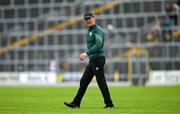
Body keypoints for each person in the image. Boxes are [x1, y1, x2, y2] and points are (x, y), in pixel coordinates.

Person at [64, 12, 114, 109]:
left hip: (98, 59)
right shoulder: (90, 30)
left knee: (101, 82)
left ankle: (109, 104)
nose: (88, 20)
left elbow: (99, 44)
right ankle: (76, 103)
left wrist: (86, 53)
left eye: (89, 18)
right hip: (93, 60)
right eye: (86, 19)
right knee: (84, 81)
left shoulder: (97, 30)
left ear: (93, 18)